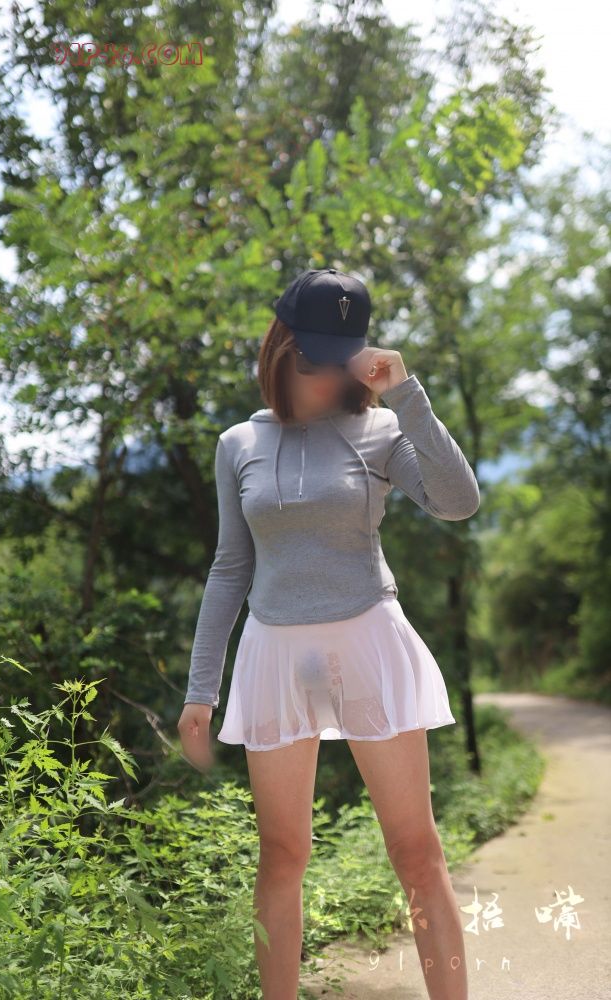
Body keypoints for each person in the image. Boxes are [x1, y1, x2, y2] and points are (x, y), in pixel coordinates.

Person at [178, 267, 479, 1000]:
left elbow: (458, 502)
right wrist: (200, 689)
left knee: (415, 851)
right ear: (281, 350)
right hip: (274, 653)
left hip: (368, 640)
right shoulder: (237, 443)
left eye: (339, 360)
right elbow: (229, 567)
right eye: (312, 359)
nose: (325, 376)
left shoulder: (380, 430)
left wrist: (406, 395)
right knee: (282, 854)